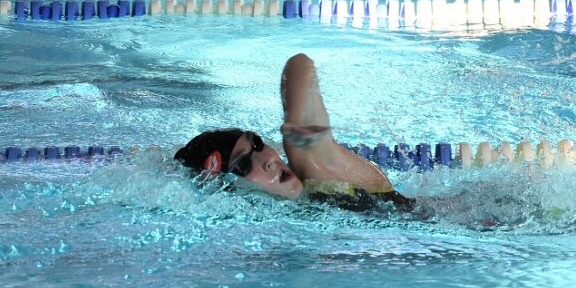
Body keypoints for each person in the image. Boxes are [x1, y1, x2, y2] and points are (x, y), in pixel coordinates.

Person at [174, 53, 416, 212]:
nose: (268, 159)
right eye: (244, 164)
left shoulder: (319, 179)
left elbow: (300, 64)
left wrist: (299, 134)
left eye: (257, 144)